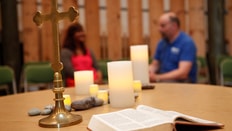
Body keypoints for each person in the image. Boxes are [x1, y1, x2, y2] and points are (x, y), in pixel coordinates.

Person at [149, 12, 197, 83]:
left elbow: (183, 73)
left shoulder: (186, 43)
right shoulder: (162, 43)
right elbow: (155, 65)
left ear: (174, 26)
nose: (159, 29)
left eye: (163, 26)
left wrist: (157, 77)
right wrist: (146, 72)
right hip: (163, 79)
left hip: (182, 83)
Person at [61, 23, 103, 87]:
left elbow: (97, 67)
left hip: (95, 82)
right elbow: (70, 71)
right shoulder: (65, 52)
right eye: (78, 31)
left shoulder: (88, 51)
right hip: (76, 83)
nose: (82, 33)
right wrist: (89, 81)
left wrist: (99, 78)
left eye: (82, 31)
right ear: (71, 35)